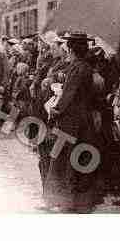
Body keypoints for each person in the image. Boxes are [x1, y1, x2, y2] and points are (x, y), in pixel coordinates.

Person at [45, 32, 103, 213]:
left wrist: (55, 110)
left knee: (63, 160)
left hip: (71, 121)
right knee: (76, 160)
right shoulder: (83, 67)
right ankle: (77, 203)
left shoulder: (78, 68)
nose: (66, 51)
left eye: (67, 48)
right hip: (82, 120)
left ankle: (65, 202)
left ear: (72, 49)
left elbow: (69, 94)